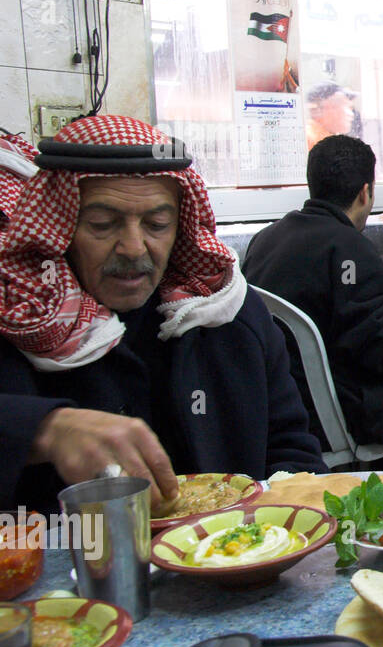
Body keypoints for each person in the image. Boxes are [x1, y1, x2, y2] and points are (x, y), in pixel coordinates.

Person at [0, 115, 325, 514]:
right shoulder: (20, 319)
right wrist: (42, 429)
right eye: (103, 225)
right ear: (61, 227)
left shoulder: (228, 317)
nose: (134, 248)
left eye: (156, 224)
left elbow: (293, 452)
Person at [242, 135, 383, 454]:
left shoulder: (264, 241)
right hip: (340, 418)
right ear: (365, 193)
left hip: (276, 408)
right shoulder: (352, 248)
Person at [305, 82, 359, 150]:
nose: (351, 114)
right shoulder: (309, 139)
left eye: (351, 108)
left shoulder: (329, 140)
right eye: (345, 106)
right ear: (319, 109)